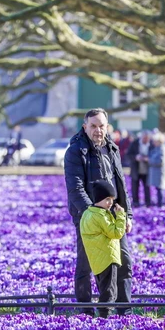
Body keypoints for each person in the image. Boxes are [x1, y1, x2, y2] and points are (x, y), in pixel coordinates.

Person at [64, 108, 134, 315]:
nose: (98, 130)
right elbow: (75, 188)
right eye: (93, 126)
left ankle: (123, 310)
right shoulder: (75, 151)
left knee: (123, 262)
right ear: (85, 126)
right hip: (88, 218)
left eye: (101, 126)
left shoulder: (112, 148)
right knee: (86, 265)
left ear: (107, 126)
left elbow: (121, 185)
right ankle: (86, 311)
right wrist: (93, 214)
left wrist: (127, 215)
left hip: (113, 217)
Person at [79, 179, 128, 317]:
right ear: (99, 198)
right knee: (109, 291)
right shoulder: (101, 216)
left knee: (103, 288)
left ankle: (103, 315)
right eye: (107, 199)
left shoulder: (87, 214)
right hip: (108, 257)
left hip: (96, 259)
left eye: (112, 199)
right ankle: (104, 317)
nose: (111, 202)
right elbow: (116, 233)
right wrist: (120, 216)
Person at [128, 130, 152, 207]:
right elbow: (128, 155)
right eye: (144, 138)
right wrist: (136, 157)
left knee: (147, 188)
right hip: (136, 170)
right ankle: (135, 203)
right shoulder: (134, 143)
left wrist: (148, 159)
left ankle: (148, 203)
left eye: (147, 138)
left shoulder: (151, 145)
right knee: (135, 188)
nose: (146, 140)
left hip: (147, 170)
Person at [148, 132, 165, 206]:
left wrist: (149, 160)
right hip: (157, 173)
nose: (154, 143)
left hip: (160, 173)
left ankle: (161, 205)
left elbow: (160, 161)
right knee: (158, 189)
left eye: (155, 141)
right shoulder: (158, 149)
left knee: (161, 189)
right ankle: (159, 204)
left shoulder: (163, 150)